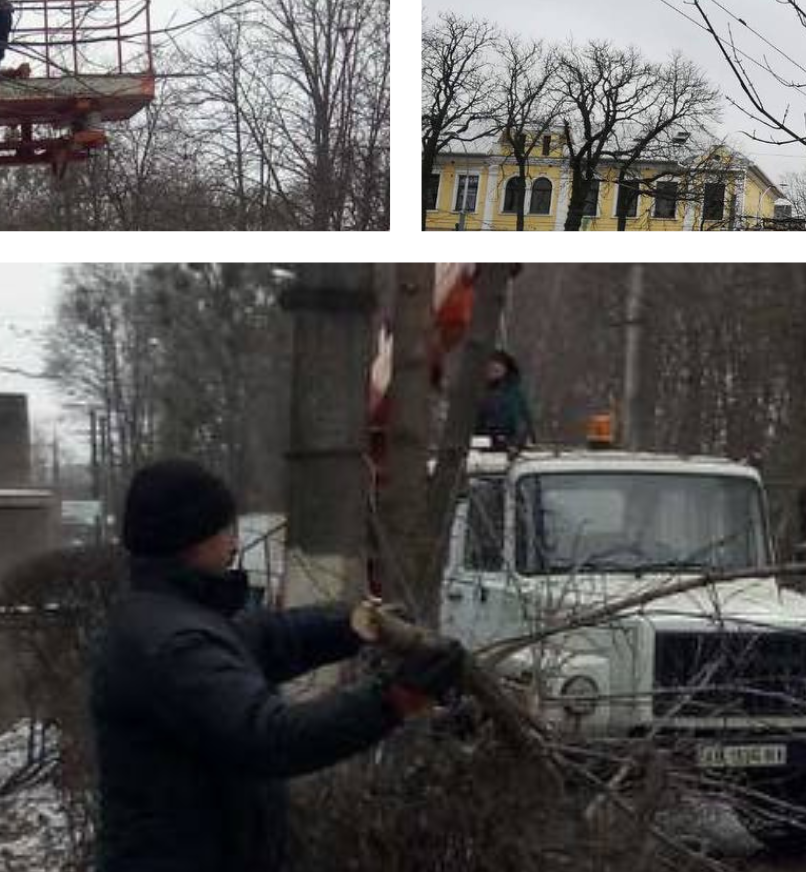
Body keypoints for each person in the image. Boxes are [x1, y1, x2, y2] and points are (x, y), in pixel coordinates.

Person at [91, 459, 467, 870]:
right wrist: (392, 699)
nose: (234, 544)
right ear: (194, 539)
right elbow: (270, 738)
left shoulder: (171, 617)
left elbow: (270, 638)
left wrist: (356, 625)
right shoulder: (172, 644)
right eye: (225, 529)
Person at [474, 349, 534, 451]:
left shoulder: (514, 393)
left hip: (509, 448)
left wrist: (518, 440)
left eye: (497, 368)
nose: (492, 370)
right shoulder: (478, 392)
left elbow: (522, 421)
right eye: (490, 367)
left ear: (506, 369)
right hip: (480, 448)